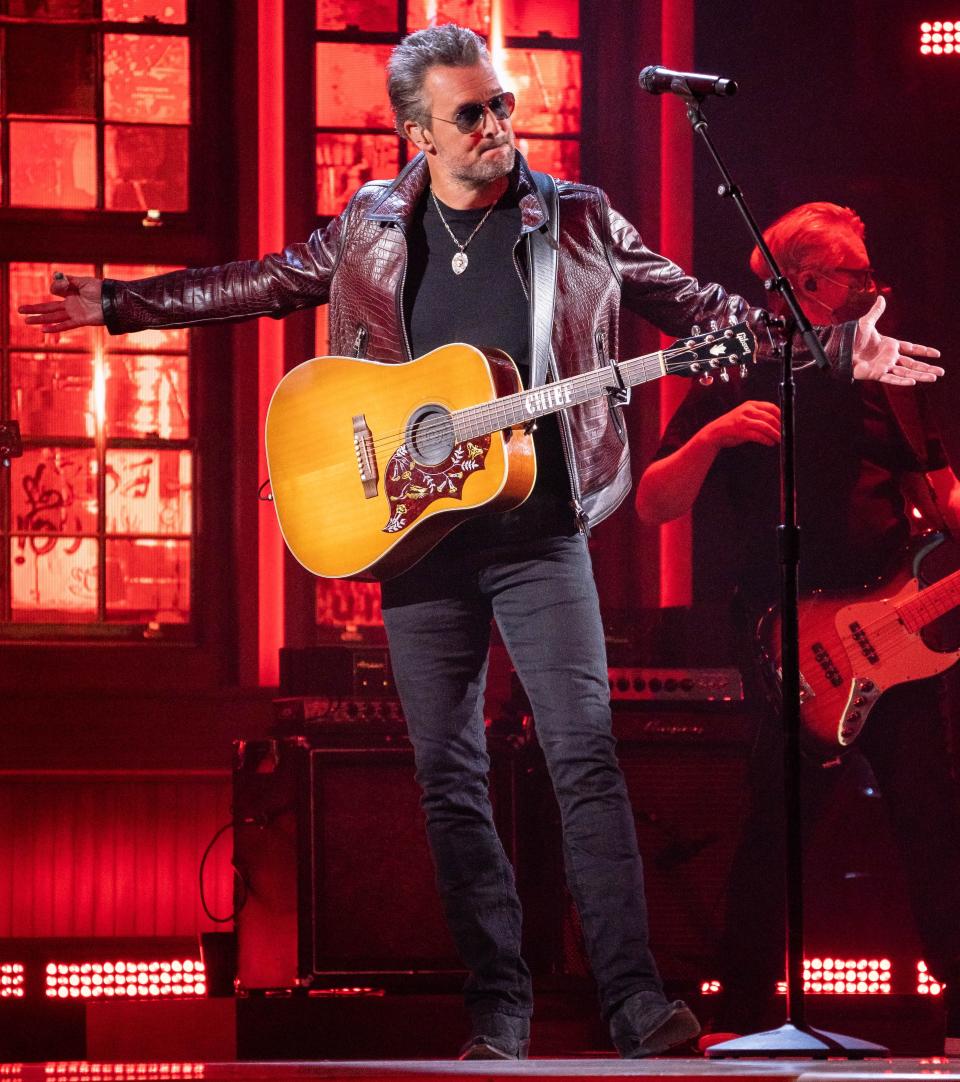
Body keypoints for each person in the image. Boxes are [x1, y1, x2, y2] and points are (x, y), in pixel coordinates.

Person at [20, 33, 944, 1060]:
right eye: (471, 114)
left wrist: (826, 348)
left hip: (540, 532)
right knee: (447, 772)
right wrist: (119, 305)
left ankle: (636, 1002)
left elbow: (708, 310)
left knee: (585, 754)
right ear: (416, 132)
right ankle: (496, 1008)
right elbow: (262, 282)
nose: (498, 126)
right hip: (416, 538)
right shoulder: (370, 224)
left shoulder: (580, 217)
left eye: (502, 105)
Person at [634, 201, 960, 1049]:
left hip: (900, 634)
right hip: (792, 632)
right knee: (778, 827)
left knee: (933, 819)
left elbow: (943, 489)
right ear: (805, 284)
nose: (871, 290)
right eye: (855, 276)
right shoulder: (737, 370)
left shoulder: (889, 370)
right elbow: (652, 503)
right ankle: (741, 1017)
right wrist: (712, 438)